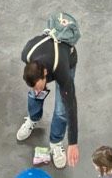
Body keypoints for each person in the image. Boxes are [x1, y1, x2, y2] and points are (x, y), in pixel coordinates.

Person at [17, 21, 80, 168]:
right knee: (35, 94)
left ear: (45, 74)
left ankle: (56, 142)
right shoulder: (26, 55)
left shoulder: (61, 70)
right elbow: (37, 40)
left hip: (66, 61)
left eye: (39, 85)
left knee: (61, 108)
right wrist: (36, 87)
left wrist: (73, 142)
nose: (39, 90)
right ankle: (33, 119)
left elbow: (71, 106)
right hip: (47, 59)